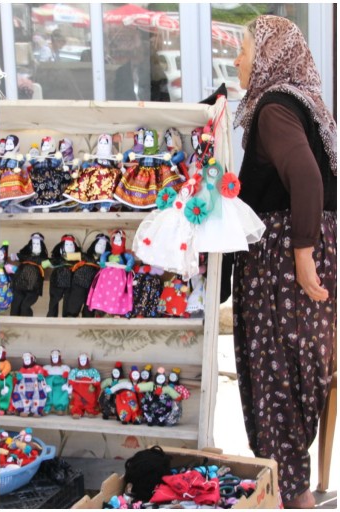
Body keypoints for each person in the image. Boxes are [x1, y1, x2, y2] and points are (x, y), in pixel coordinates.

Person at [231, 15, 337, 509]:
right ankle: (292, 493)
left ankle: (291, 499)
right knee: (294, 384)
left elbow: (308, 181)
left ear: (270, 56)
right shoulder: (301, 104)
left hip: (281, 267)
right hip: (295, 257)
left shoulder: (273, 109)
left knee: (279, 388)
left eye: (245, 49)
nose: (237, 59)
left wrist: (301, 257)